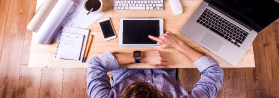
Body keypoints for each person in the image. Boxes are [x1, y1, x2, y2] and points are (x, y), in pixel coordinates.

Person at [87, 32, 224, 98]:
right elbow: (213, 72)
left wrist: (143, 56)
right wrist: (178, 44)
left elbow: (96, 64)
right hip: (168, 61)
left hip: (125, 61)